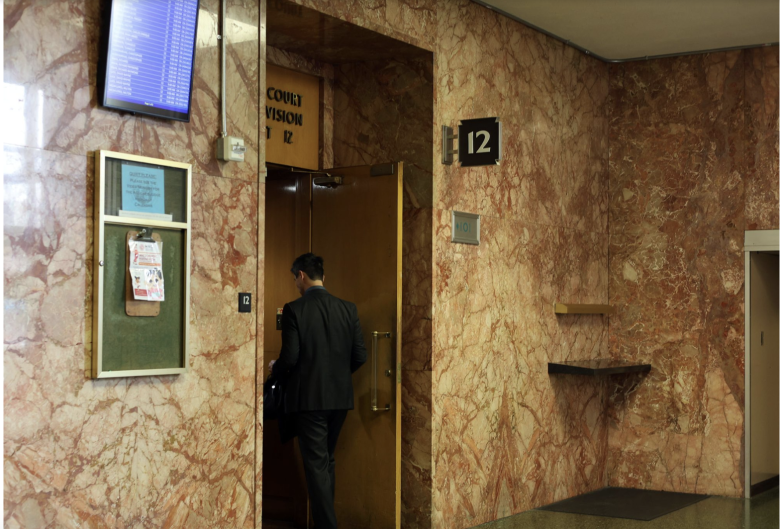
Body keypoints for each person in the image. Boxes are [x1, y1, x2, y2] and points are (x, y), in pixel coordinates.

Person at [269, 252, 367, 529]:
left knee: (316, 466)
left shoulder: (294, 309)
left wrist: (275, 369)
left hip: (309, 401)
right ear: (323, 276)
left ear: (301, 275)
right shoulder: (348, 309)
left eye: (294, 279)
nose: (295, 285)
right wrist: (336, 377)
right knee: (325, 462)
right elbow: (360, 355)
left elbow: (290, 358)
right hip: (340, 399)